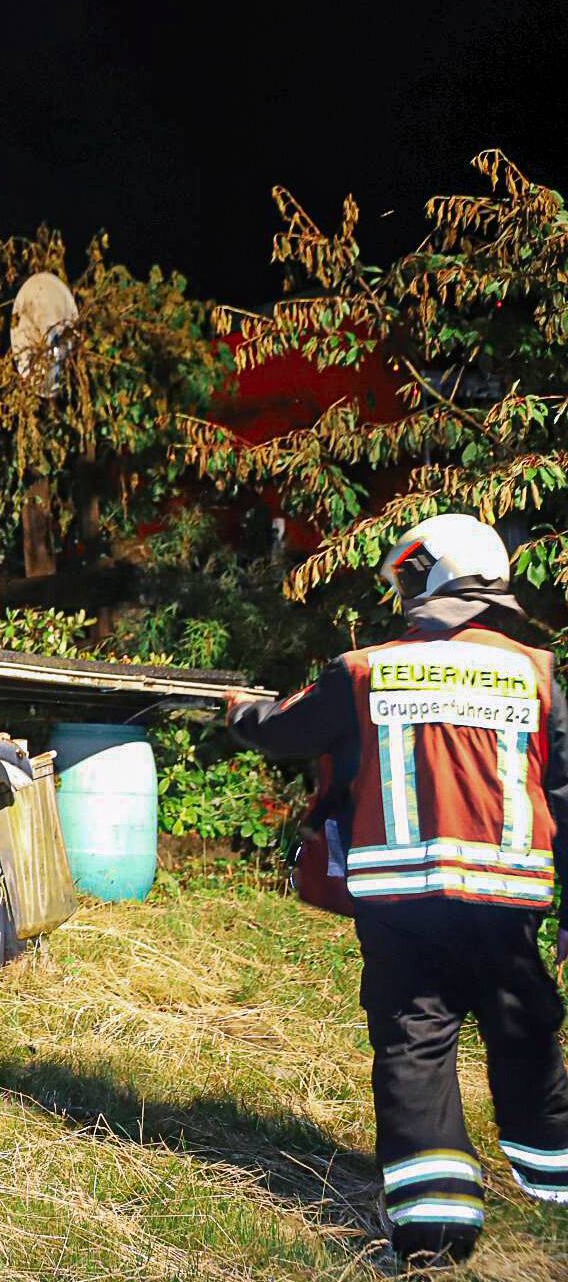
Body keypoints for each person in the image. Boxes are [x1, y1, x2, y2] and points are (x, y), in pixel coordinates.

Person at [226, 513, 568, 1266]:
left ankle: (434, 1236)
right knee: (525, 1028)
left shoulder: (365, 669)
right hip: (509, 905)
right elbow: (564, 794)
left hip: (404, 907)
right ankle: (554, 1189)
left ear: (432, 575)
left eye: (408, 577)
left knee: (415, 1047)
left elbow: (285, 730)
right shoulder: (537, 672)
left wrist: (241, 713)